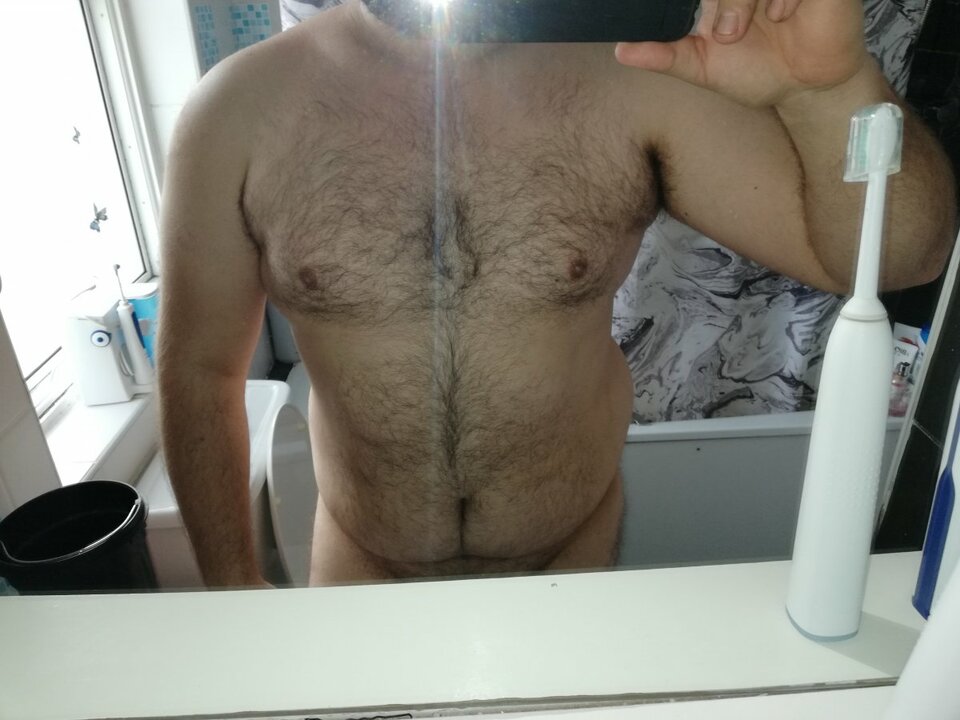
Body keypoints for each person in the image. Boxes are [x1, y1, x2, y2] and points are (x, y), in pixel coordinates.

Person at [158, 0, 957, 588]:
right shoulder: (237, 110)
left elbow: (902, 256)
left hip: (570, 568)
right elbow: (199, 372)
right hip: (364, 571)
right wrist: (233, 587)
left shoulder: (631, 74)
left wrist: (828, 89)